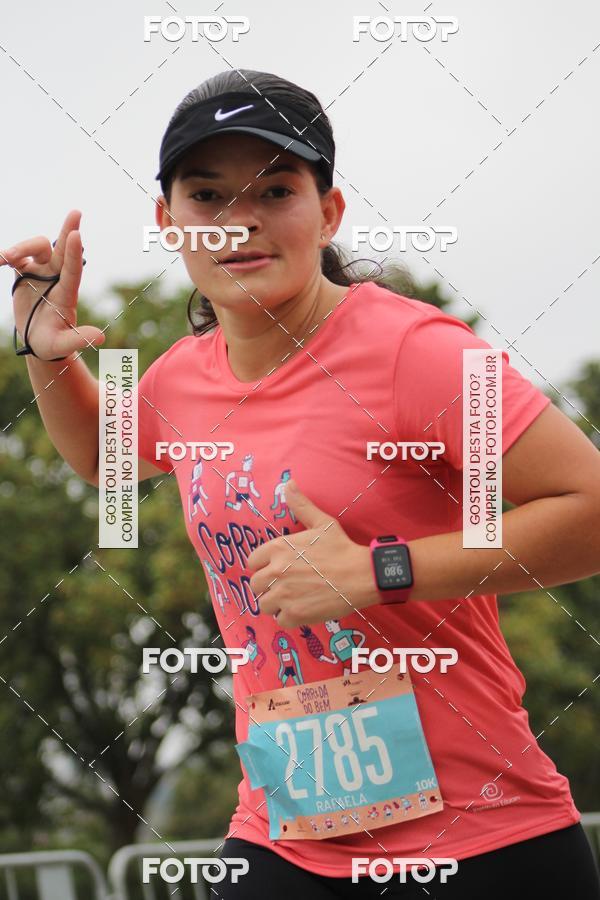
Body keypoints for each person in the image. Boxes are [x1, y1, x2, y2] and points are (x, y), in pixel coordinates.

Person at [4, 67, 600, 899]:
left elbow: (591, 510)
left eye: (274, 190)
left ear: (328, 212)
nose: (237, 223)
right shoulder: (180, 381)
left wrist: (381, 570)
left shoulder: (420, 353)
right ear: (166, 223)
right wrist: (41, 346)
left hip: (480, 843)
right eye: (206, 197)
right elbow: (110, 465)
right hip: (286, 835)